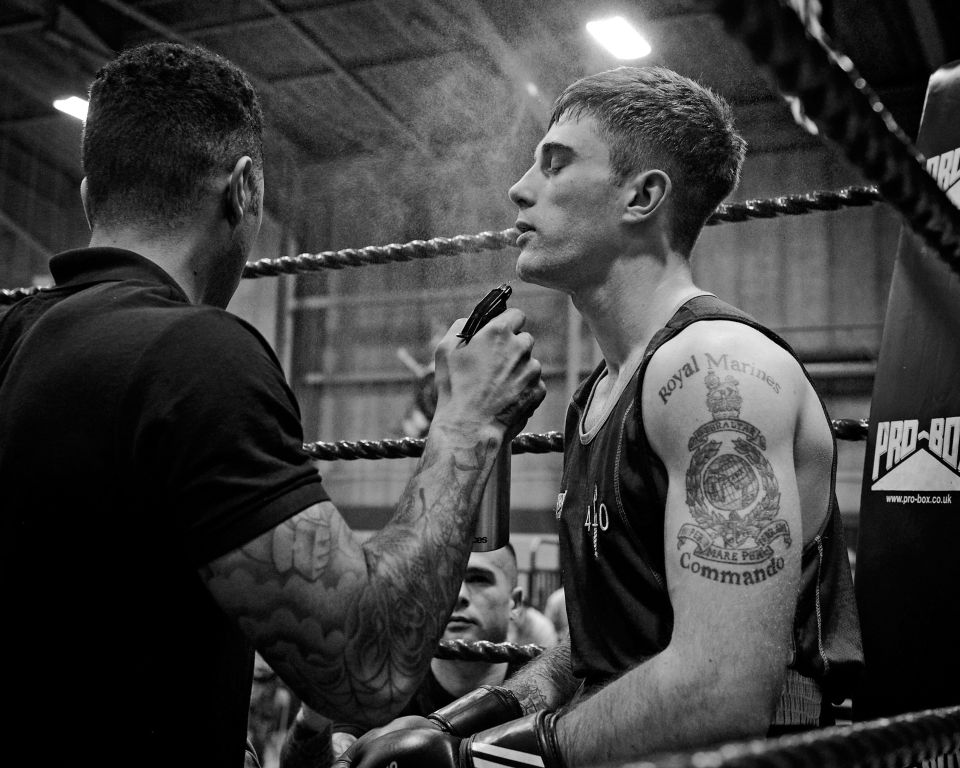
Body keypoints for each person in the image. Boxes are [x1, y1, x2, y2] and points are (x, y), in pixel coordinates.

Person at [0, 43, 545, 767]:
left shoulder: (13, 338)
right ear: (244, 189)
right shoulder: (195, 359)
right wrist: (467, 426)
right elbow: (364, 671)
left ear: (87, 194)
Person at [335, 65, 863, 768]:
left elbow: (722, 687)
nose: (520, 188)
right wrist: (473, 719)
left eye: (555, 164)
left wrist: (487, 764)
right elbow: (606, 645)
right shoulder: (601, 392)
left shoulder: (716, 373)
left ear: (643, 195)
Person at [279, 545, 529, 767]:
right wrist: (314, 717)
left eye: (478, 579)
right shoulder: (382, 681)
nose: (458, 594)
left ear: (515, 603)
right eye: (445, 579)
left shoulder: (544, 685)